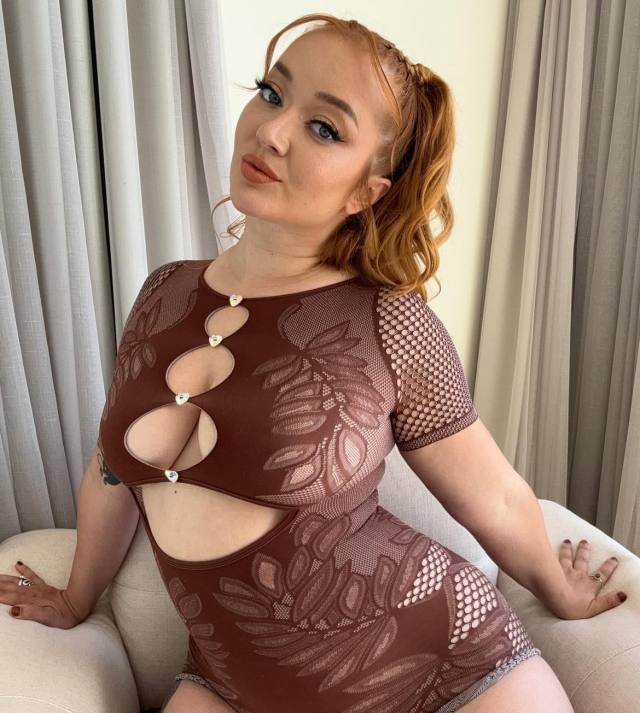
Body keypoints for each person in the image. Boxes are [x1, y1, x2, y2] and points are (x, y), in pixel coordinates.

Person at [3, 12, 625, 713]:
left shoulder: (391, 322)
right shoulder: (163, 292)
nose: (272, 131)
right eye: (272, 93)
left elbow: (496, 496)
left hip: (442, 669)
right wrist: (76, 597)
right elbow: (110, 471)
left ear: (367, 192)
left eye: (324, 128)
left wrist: (561, 591)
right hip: (231, 684)